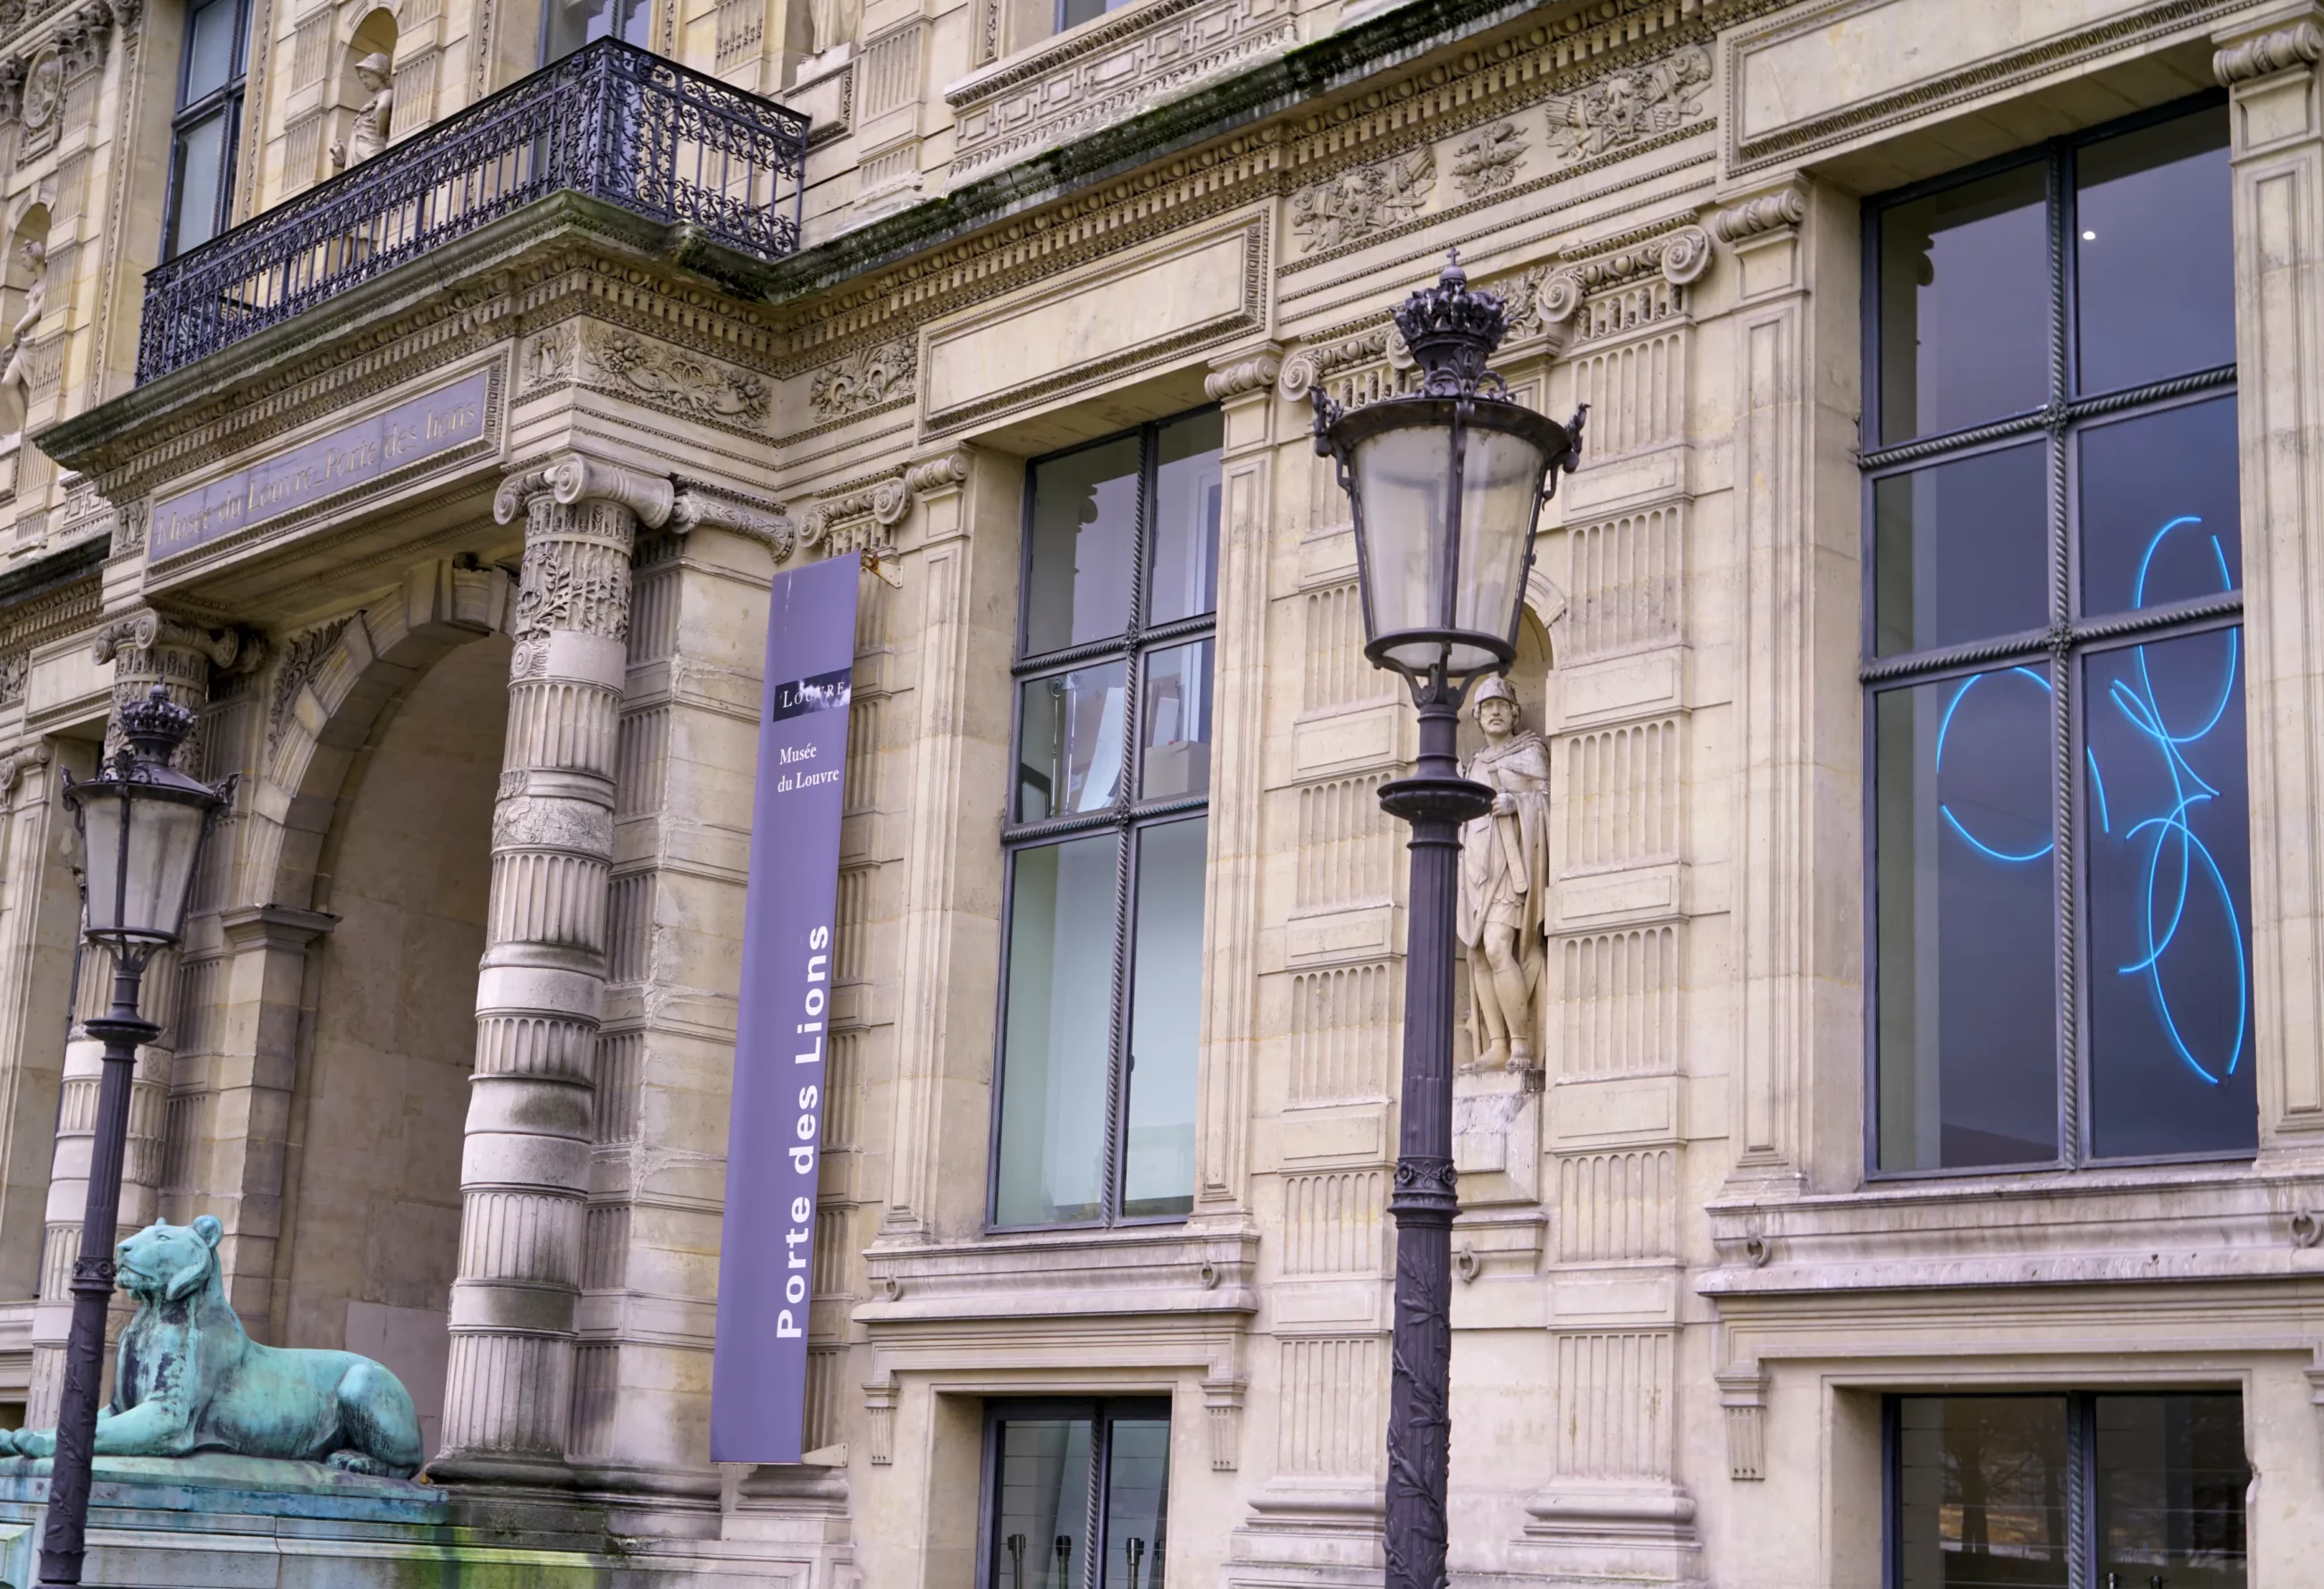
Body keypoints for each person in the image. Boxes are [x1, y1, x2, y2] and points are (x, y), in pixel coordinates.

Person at [1457, 674, 1551, 1070]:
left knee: (1498, 946)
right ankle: (1497, 1045)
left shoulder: (1529, 752)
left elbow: (1549, 803)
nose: (1494, 712)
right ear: (1477, 717)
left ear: (1514, 713)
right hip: (1475, 866)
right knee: (1477, 953)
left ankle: (1521, 1044)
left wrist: (1518, 804)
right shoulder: (1474, 765)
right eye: (1487, 707)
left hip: (1511, 867)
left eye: (1501, 705)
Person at [0, 237, 47, 446]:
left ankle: (31, 426)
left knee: (34, 385)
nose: (23, 263)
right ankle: (22, 426)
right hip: (24, 342)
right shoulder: (34, 285)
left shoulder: (48, 284)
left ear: (36, 259)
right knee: (8, 382)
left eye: (25, 258)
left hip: (34, 341)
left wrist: (17, 328)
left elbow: (37, 313)